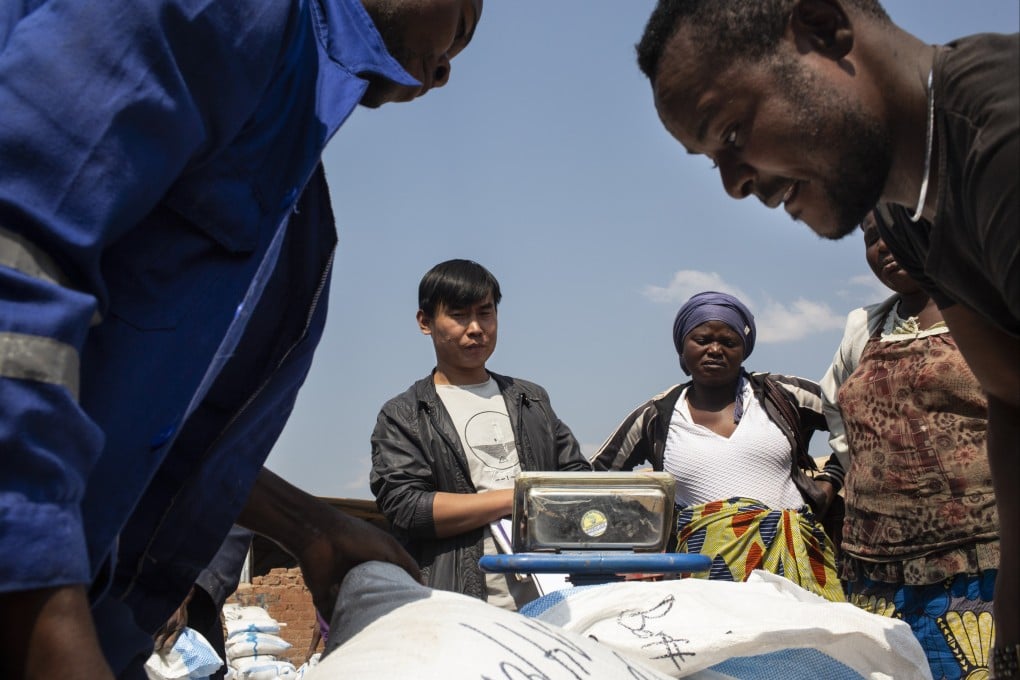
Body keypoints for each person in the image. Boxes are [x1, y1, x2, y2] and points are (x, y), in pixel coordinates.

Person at [0, 0, 482, 676]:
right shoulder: (229, 13)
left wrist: (306, 525)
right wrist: (39, 605)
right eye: (459, 29)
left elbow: (145, 428)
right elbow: (17, 254)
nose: (443, 73)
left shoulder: (293, 194)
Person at [634, 1, 1018, 671]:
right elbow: (1011, 394)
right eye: (710, 161)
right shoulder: (931, 212)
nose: (733, 184)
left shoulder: (1003, 145)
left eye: (730, 131)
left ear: (822, 29)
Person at [820, 208, 998, 679]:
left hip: (980, 563)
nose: (883, 248)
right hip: (874, 567)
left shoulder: (988, 308)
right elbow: (836, 407)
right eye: (871, 238)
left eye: (898, 233)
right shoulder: (865, 328)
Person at [591, 291, 845, 602]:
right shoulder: (657, 415)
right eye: (702, 340)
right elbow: (592, 477)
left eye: (728, 342)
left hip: (792, 567)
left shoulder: (782, 394)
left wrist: (831, 480)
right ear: (682, 349)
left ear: (744, 350)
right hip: (700, 577)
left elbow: (858, 424)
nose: (715, 350)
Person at [370, 259, 591, 610]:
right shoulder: (405, 414)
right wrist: (519, 498)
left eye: (485, 313)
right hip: (458, 606)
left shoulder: (530, 399)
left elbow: (578, 481)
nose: (476, 328)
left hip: (553, 601)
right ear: (425, 322)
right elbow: (407, 508)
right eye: (458, 315)